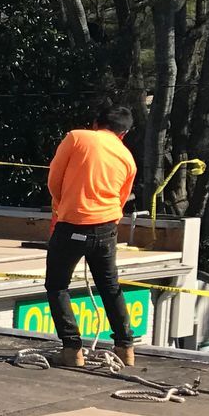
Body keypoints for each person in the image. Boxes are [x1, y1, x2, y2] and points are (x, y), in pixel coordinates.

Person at [45, 104, 138, 368]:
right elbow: (122, 197)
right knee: (110, 287)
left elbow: (54, 179)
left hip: (72, 224)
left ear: (97, 123)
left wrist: (62, 205)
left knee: (58, 285)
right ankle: (125, 347)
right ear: (124, 134)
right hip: (107, 227)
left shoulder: (77, 137)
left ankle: (72, 349)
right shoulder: (127, 157)